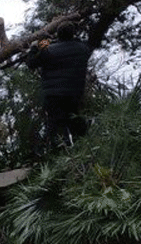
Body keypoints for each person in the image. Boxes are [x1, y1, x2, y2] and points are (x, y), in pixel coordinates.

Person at [26, 21, 92, 149]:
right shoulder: (83, 49)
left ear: (58, 35)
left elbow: (31, 63)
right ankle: (84, 152)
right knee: (75, 122)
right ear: (73, 34)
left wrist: (36, 45)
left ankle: (59, 155)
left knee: (55, 127)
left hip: (53, 96)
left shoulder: (49, 49)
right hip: (74, 95)